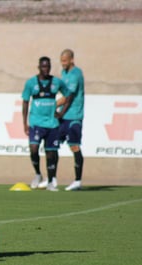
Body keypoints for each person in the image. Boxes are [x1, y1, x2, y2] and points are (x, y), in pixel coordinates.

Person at [22, 56, 71, 191]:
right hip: (36, 123)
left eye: (48, 67)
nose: (46, 69)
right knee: (33, 148)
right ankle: (37, 174)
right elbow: (25, 103)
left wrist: (61, 113)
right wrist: (25, 123)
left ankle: (50, 181)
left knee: (51, 153)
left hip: (52, 123)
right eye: (43, 66)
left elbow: (68, 95)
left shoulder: (57, 82)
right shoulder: (31, 83)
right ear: (39, 67)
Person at [57, 49, 85, 191]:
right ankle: (51, 179)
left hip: (74, 116)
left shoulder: (76, 74)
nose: (63, 63)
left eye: (65, 61)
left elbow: (68, 97)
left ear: (71, 60)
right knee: (52, 144)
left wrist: (52, 105)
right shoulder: (64, 73)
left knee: (74, 146)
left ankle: (77, 181)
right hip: (64, 116)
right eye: (61, 60)